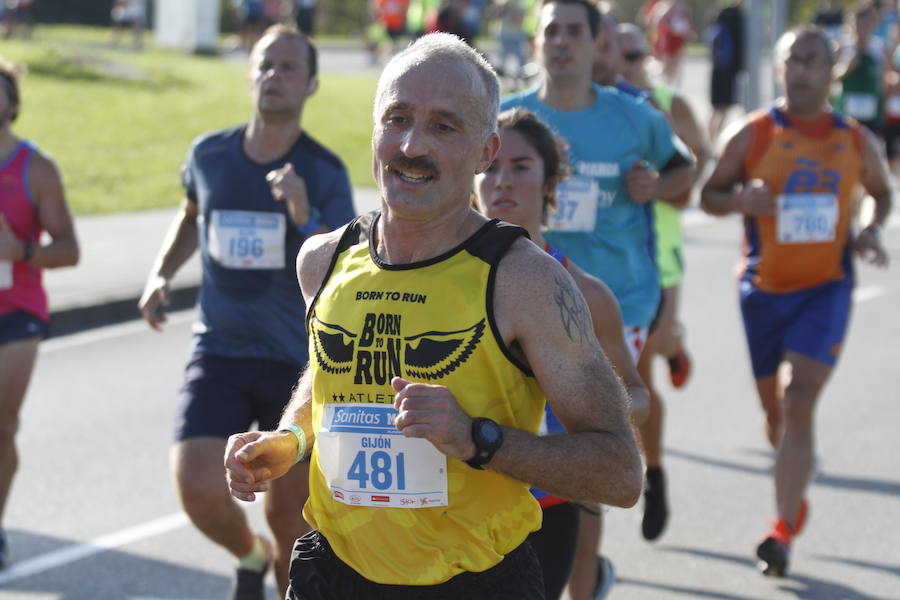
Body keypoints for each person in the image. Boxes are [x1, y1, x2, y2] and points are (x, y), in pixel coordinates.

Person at [225, 31, 643, 599]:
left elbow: (619, 472)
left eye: (443, 126)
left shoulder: (525, 281)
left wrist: (477, 439)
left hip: (473, 582)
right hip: (332, 574)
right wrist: (291, 441)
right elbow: (328, 375)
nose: (412, 145)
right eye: (396, 118)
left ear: (485, 152)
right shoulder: (322, 261)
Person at [138, 25, 355, 600]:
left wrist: (305, 215)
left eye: (288, 68)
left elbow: (349, 273)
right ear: (249, 74)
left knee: (291, 521)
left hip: (295, 361)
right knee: (198, 489)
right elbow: (191, 215)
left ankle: (282, 579)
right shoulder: (209, 154)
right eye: (264, 65)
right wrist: (162, 272)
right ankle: (247, 555)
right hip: (221, 350)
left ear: (310, 84)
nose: (273, 76)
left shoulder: (324, 171)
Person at [501, 2, 695, 597]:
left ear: (597, 42)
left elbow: (686, 170)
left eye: (574, 32)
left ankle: (581, 579)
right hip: (518, 290)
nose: (561, 42)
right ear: (536, 41)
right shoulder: (512, 117)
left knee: (582, 473)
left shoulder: (634, 117)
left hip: (614, 298)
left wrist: (658, 186)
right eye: (550, 31)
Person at [701, 25, 893, 577]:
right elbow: (710, 194)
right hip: (761, 292)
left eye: (812, 61)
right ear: (780, 67)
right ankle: (794, 491)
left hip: (826, 287)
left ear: (831, 69)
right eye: (792, 61)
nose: (800, 70)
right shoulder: (753, 133)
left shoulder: (856, 140)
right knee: (777, 418)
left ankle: (781, 529)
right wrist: (740, 198)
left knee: (800, 396)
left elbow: (881, 192)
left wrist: (869, 227)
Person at [473, 106, 650, 600]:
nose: (502, 181)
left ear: (551, 184)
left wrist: (590, 413)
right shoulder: (431, 279)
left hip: (544, 502)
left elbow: (637, 395)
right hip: (452, 498)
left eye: (522, 167)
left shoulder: (584, 294)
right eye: (490, 166)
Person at [618, 20, 711, 543]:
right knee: (642, 363)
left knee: (645, 367)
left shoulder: (667, 106)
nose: (625, 65)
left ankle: (653, 473)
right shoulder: (599, 108)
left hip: (662, 253)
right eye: (618, 54)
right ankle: (652, 472)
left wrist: (654, 184)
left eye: (634, 56)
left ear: (647, 56)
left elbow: (686, 189)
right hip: (616, 262)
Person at [0, 57, 80, 569]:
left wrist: (20, 250)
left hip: (17, 312)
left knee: (1, 427)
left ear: (10, 104)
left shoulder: (36, 168)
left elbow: (69, 249)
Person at [835, 2, 886, 140]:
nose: (861, 28)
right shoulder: (842, 47)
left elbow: (884, 79)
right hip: (846, 110)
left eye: (866, 24)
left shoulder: (879, 48)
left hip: (872, 112)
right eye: (858, 23)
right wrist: (846, 68)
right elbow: (831, 77)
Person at [707, 0, 745, 143]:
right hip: (727, 69)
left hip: (718, 67)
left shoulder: (721, 12)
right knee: (722, 108)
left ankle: (712, 139)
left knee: (718, 109)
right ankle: (714, 141)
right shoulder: (736, 15)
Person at [648, 0, 693, 87]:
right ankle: (665, 84)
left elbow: (687, 23)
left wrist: (687, 33)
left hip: (678, 41)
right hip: (667, 41)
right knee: (667, 65)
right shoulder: (663, 6)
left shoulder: (683, 7)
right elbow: (656, 22)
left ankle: (674, 87)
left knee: (676, 65)